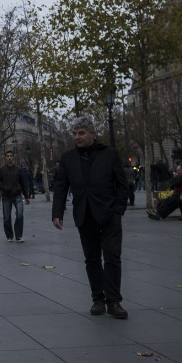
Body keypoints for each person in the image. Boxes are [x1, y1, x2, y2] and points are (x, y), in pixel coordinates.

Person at [52, 115, 129, 319]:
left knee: (112, 257)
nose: (77, 137)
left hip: (109, 213)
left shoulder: (109, 154)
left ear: (92, 134)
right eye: (75, 133)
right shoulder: (67, 158)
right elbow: (60, 186)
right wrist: (57, 213)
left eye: (82, 133)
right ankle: (98, 299)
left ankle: (114, 301)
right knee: (92, 259)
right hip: (84, 214)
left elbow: (123, 184)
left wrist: (119, 208)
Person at [0, 149, 30, 242]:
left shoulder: (19, 169)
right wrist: (4, 187)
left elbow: (23, 183)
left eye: (11, 156)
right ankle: (9, 236)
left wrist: (26, 196)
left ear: (13, 158)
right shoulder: (1, 170)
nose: (9, 158)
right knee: (7, 217)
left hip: (17, 195)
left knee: (19, 215)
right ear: (5, 158)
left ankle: (18, 236)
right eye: (8, 156)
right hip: (6, 196)